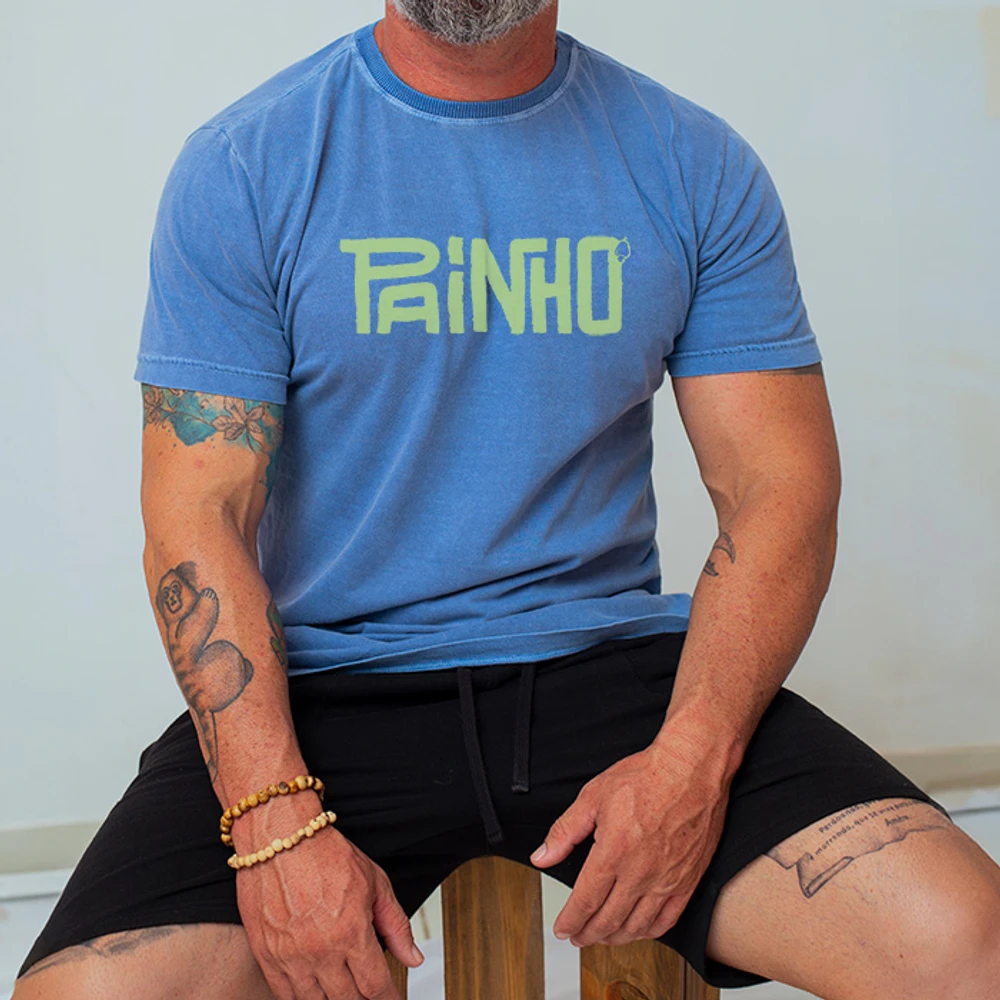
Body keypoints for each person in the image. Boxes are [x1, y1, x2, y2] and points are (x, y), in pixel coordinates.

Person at [15, 1, 1000, 997]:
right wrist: (272, 817)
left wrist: (691, 763)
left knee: (968, 950)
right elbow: (198, 517)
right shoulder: (245, 164)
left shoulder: (691, 160)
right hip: (328, 694)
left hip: (607, 674)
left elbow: (778, 489)